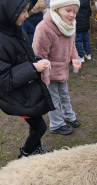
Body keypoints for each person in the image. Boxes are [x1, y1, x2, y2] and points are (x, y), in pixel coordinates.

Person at [0, 0, 55, 158]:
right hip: (14, 97)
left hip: (24, 89)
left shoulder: (14, 30)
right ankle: (26, 154)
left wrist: (36, 61)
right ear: (8, 12)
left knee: (36, 125)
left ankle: (35, 149)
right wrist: (32, 68)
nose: (27, 15)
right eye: (23, 11)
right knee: (39, 127)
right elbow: (1, 78)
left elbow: (23, 56)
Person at [32, 0, 81, 135]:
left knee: (64, 95)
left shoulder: (70, 26)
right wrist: (44, 75)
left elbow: (72, 46)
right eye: (68, 10)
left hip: (62, 70)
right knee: (53, 99)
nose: (72, 14)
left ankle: (68, 116)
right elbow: (38, 54)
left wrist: (75, 58)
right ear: (57, 9)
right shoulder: (44, 28)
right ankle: (56, 124)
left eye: (74, 11)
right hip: (49, 73)